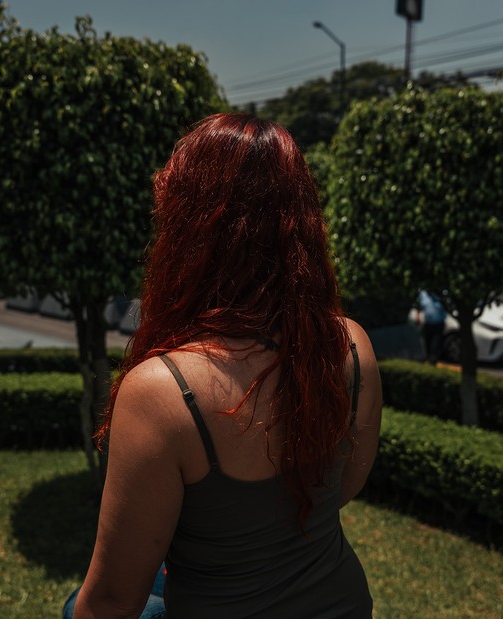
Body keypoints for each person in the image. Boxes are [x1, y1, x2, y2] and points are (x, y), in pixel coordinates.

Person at [68, 113, 382, 619]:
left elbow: (111, 601)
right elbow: (344, 486)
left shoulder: (163, 391)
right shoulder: (351, 345)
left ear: (187, 230)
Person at [416, 290, 447, 364]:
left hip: (438, 324)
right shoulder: (423, 294)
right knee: (427, 343)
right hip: (427, 324)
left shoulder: (441, 294)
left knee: (435, 345)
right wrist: (417, 316)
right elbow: (419, 306)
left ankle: (433, 362)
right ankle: (428, 360)